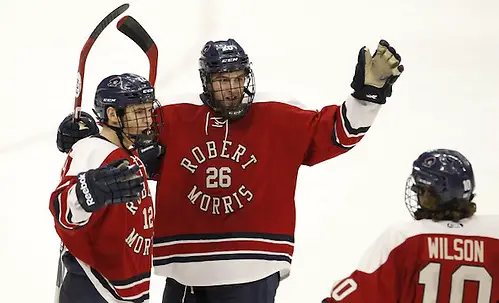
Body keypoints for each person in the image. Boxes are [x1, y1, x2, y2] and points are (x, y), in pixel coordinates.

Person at [56, 38, 404, 303]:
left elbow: (338, 132)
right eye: (221, 80)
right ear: (206, 81)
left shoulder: (278, 116)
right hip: (185, 270)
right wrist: (87, 133)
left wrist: (367, 94)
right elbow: (122, 140)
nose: (231, 88)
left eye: (237, 78)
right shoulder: (174, 117)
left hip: (253, 266)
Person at [321, 149, 499, 303]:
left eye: (422, 189)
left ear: (438, 195)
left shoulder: (406, 239)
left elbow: (360, 296)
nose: (416, 192)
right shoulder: (494, 235)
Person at [49, 73, 161, 303]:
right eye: (139, 113)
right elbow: (62, 209)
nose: (148, 120)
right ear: (112, 115)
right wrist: (85, 192)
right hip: (92, 287)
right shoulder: (92, 149)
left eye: (149, 111)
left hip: (126, 286)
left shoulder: (128, 153)